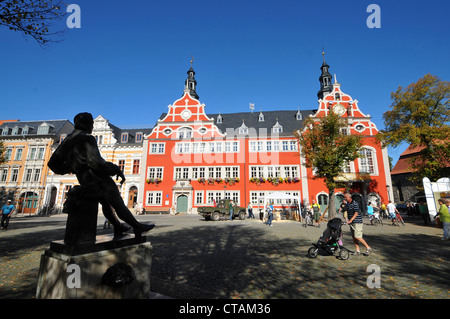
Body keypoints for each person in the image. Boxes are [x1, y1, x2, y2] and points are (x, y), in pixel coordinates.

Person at [48, 112, 154, 237]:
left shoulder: (67, 140)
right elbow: (97, 163)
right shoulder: (87, 138)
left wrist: (73, 167)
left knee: (106, 203)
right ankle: (137, 226)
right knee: (117, 203)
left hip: (85, 180)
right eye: (92, 124)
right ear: (85, 124)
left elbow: (53, 164)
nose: (92, 127)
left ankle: (118, 226)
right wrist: (115, 169)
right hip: (99, 178)